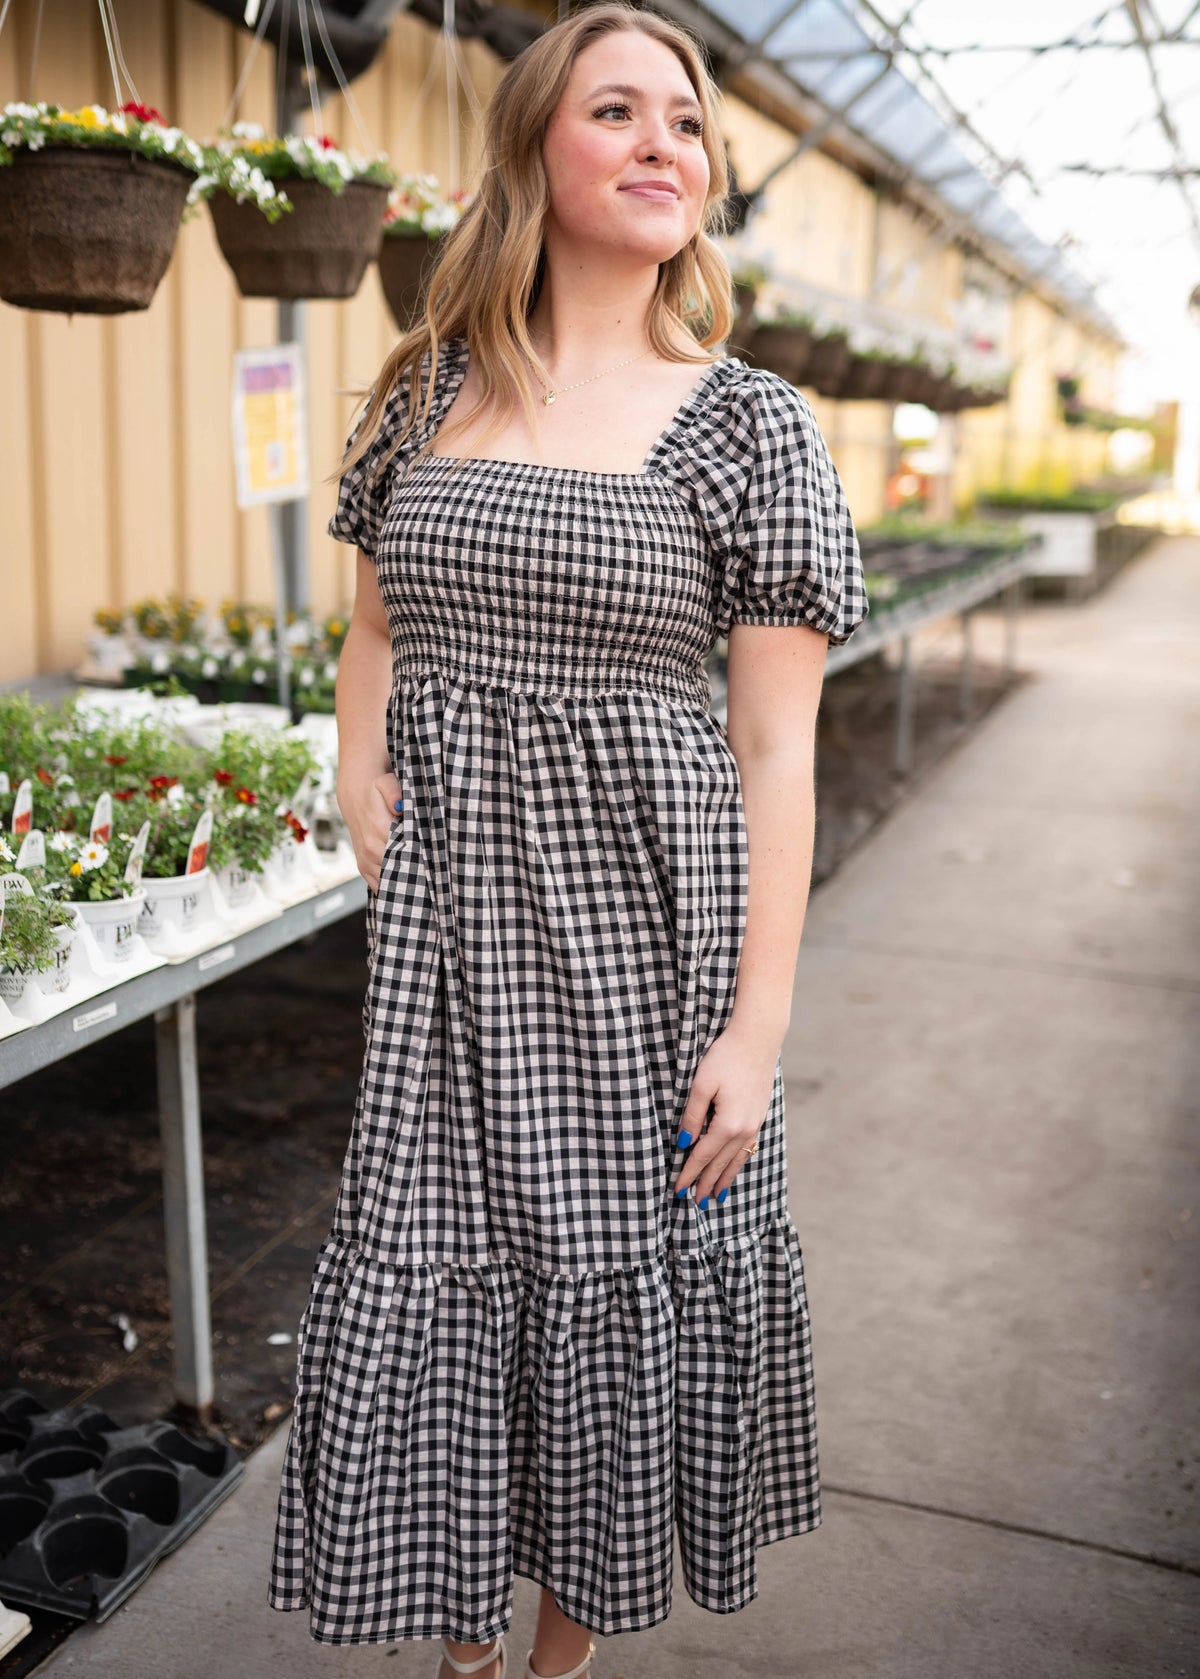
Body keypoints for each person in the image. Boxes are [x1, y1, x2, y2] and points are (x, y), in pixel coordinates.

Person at [267, 5, 869, 1677]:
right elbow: (375, 636)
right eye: (619, 110)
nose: (668, 141)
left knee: (612, 1288)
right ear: (538, 147)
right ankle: (466, 1652)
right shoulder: (425, 392)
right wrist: (366, 790)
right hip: (453, 949)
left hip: (640, 946)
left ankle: (553, 1660)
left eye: (688, 119)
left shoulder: (754, 430)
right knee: (454, 1271)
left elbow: (773, 754)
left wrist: (756, 1030)